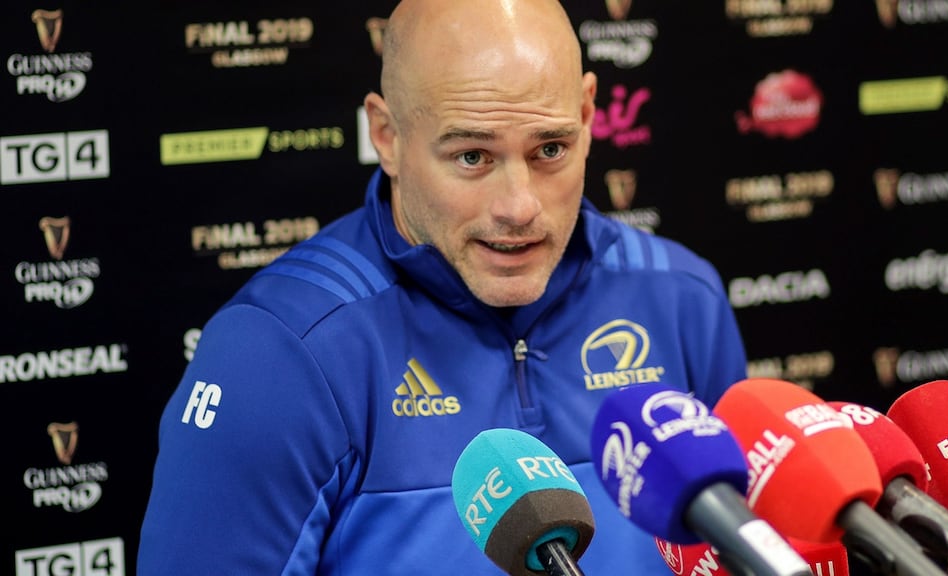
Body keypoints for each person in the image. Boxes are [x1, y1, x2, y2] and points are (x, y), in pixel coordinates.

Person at [137, 0, 748, 573]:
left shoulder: (682, 298)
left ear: (589, 115)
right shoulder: (278, 350)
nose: (519, 206)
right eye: (472, 157)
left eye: (551, 149)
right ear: (388, 136)